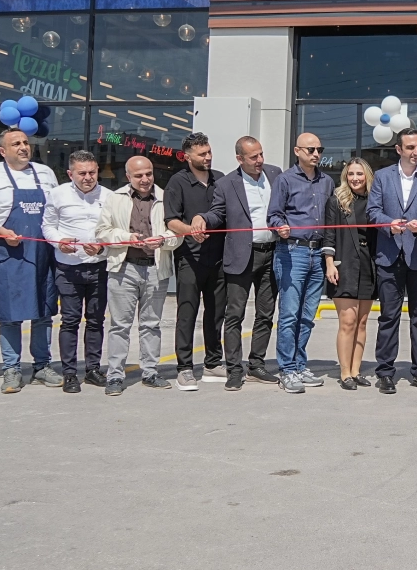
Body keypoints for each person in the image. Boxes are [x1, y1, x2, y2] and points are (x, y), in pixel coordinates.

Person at [0, 127, 61, 394]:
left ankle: (42, 365)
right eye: (16, 143)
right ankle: (11, 369)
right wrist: (0, 231)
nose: (23, 147)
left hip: (43, 253)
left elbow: (56, 210)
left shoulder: (45, 173)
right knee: (10, 314)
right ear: (2, 151)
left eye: (25, 142)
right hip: (9, 254)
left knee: (44, 312)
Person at [193, 136, 282, 390]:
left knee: (266, 314)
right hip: (242, 256)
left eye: (261, 154)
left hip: (272, 253)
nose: (260, 160)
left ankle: (256, 365)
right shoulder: (226, 184)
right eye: (254, 157)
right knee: (234, 315)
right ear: (239, 159)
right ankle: (234, 369)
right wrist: (202, 218)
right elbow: (217, 213)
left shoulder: (275, 174)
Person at [95, 155, 181, 396]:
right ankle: (115, 375)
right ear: (128, 176)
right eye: (139, 175)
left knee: (151, 324)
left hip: (156, 269)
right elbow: (102, 232)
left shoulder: (166, 197)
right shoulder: (116, 198)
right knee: (120, 326)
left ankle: (150, 372)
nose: (145, 179)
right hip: (124, 268)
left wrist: (162, 240)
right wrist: (126, 238)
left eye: (148, 174)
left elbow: (177, 235)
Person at [367, 127, 417, 393]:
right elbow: (373, 211)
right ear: (399, 149)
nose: (416, 152)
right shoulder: (382, 177)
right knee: (389, 317)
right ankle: (385, 372)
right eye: (410, 147)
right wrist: (390, 224)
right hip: (389, 256)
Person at [269, 133, 335, 394]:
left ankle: (299, 364)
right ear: (297, 151)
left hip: (318, 253)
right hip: (292, 251)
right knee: (289, 315)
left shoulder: (327, 181)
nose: (316, 154)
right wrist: (280, 226)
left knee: (308, 316)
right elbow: (274, 214)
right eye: (311, 149)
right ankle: (286, 370)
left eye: (319, 149)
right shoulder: (285, 180)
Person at [42, 151, 109, 394]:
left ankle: (93, 369)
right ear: (70, 174)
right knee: (69, 321)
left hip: (99, 266)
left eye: (92, 172)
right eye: (82, 173)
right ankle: (69, 373)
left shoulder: (109, 196)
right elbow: (47, 226)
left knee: (96, 320)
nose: (88, 177)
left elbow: (114, 229)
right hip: (68, 267)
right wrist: (59, 242)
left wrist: (102, 246)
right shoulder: (57, 194)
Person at [163, 132, 227, 390]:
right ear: (187, 157)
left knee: (216, 313)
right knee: (187, 313)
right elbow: (171, 220)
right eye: (202, 154)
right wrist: (191, 231)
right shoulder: (177, 182)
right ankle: (185, 368)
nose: (208, 157)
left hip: (218, 258)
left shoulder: (220, 179)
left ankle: (212, 362)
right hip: (189, 258)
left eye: (209, 152)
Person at [323, 158, 378, 390]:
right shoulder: (337, 200)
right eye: (351, 174)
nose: (355, 178)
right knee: (347, 321)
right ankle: (345, 373)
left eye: (359, 174)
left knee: (362, 322)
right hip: (344, 263)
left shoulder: (375, 201)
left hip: (368, 265)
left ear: (367, 176)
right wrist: (329, 264)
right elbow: (329, 235)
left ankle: (356, 371)